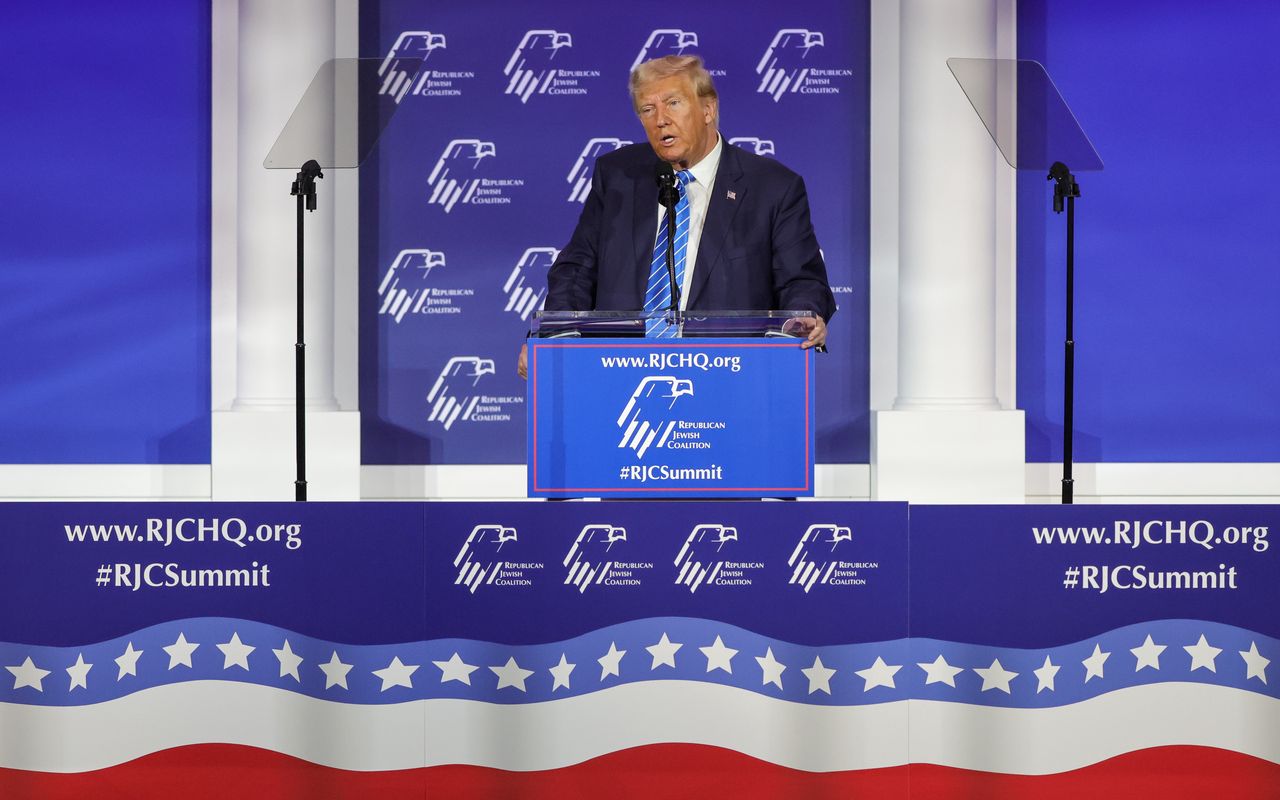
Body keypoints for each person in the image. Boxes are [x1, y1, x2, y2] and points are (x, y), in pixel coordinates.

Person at [518, 54, 834, 378]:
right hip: (618, 376)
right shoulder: (618, 176)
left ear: (708, 109)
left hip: (730, 379)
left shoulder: (772, 188)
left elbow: (802, 280)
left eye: (673, 103)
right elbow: (576, 269)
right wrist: (551, 334)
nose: (661, 120)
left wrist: (801, 317)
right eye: (648, 109)